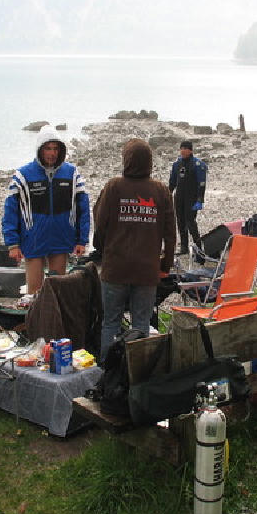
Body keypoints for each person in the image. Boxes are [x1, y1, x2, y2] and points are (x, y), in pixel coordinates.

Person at [93, 138, 176, 363]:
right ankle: (139, 370)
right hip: (146, 270)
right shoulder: (161, 190)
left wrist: (102, 249)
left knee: (111, 322)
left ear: (126, 160)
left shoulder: (114, 187)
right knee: (141, 324)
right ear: (149, 161)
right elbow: (171, 234)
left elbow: (100, 223)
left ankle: (108, 370)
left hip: (115, 268)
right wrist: (165, 265)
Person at [2, 127, 89, 295]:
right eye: (48, 148)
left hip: (61, 239)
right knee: (34, 293)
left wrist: (81, 240)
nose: (52, 153)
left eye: (56, 148)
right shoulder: (22, 175)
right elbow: (10, 211)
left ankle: (56, 314)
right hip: (33, 240)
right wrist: (13, 244)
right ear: (40, 150)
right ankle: (34, 313)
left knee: (58, 291)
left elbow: (83, 208)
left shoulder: (72, 173)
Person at [168, 140, 208, 255]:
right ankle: (184, 247)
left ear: (190, 150)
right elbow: (172, 182)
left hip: (191, 197)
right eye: (181, 148)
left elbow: (202, 184)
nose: (183, 151)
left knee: (190, 222)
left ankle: (199, 247)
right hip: (179, 197)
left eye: (185, 148)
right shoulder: (177, 164)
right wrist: (167, 194)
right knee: (180, 222)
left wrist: (200, 200)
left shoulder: (197, 164)